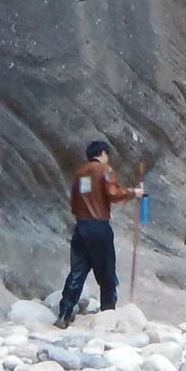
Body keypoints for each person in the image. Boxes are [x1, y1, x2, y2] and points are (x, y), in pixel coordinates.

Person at [57, 139, 143, 328]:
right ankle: (108, 314)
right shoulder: (105, 170)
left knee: (77, 272)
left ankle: (64, 313)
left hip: (81, 227)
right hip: (99, 228)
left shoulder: (80, 173)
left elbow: (76, 201)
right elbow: (113, 193)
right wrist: (133, 192)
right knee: (106, 272)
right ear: (103, 153)